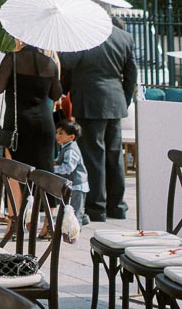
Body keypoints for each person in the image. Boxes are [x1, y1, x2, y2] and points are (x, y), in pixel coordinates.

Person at [59, 20, 136, 221]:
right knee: (114, 155)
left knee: (94, 156)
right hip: (115, 102)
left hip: (90, 101)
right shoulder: (124, 37)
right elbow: (131, 75)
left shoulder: (84, 35)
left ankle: (96, 207)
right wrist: (123, 100)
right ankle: (117, 206)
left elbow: (66, 64)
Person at [0, 40, 63, 173]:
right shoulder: (49, 62)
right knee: (44, 175)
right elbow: (56, 94)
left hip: (17, 124)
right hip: (44, 124)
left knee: (14, 174)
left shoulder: (12, 59)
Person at [54, 120, 90, 224]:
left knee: (75, 211)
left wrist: (53, 169)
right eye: (57, 132)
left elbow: (68, 168)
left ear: (71, 137)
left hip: (77, 185)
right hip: (72, 185)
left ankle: (76, 229)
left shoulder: (71, 150)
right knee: (72, 208)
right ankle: (78, 222)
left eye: (61, 133)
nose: (57, 136)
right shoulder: (65, 147)